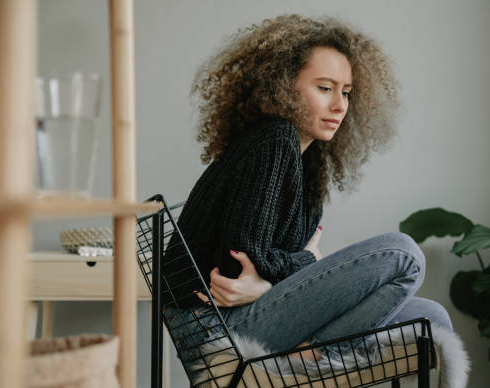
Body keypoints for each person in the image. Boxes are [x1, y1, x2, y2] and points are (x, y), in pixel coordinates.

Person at [163, 14, 452, 364]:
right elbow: (236, 263)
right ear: (283, 87)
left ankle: (313, 347)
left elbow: (267, 269)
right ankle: (315, 352)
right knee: (403, 254)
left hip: (254, 309)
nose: (340, 105)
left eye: (346, 92)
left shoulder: (310, 163)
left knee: (431, 317)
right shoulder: (274, 139)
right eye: (325, 88)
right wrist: (307, 261)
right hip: (213, 327)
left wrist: (269, 284)